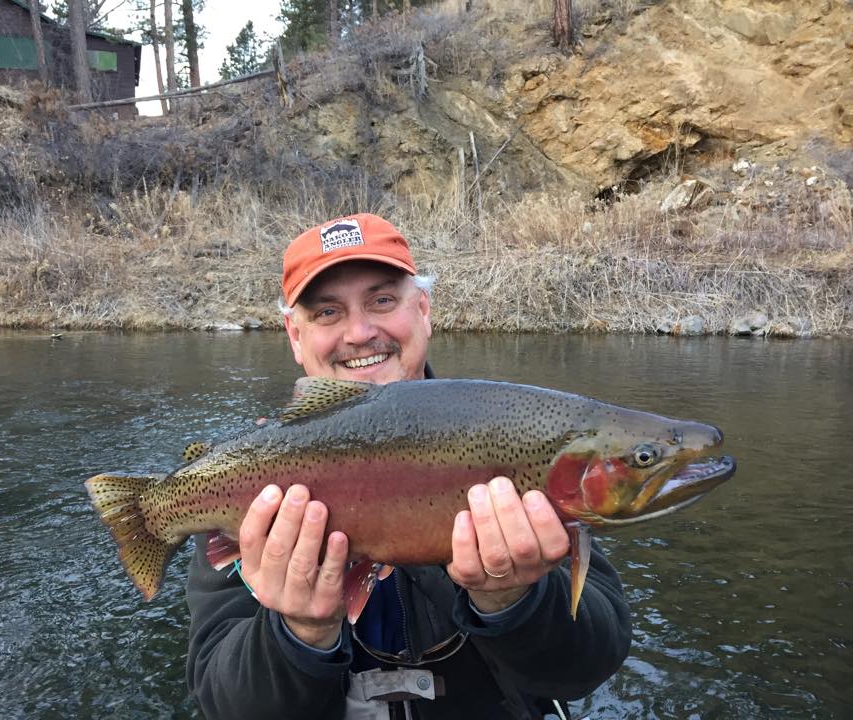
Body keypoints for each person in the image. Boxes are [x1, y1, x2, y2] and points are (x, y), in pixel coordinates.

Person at [186, 213, 632, 719]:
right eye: (327, 312)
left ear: (423, 309)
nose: (359, 332)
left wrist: (513, 600)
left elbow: (588, 665)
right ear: (294, 335)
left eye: (382, 300)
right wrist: (300, 635)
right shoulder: (251, 482)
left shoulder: (511, 439)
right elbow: (223, 704)